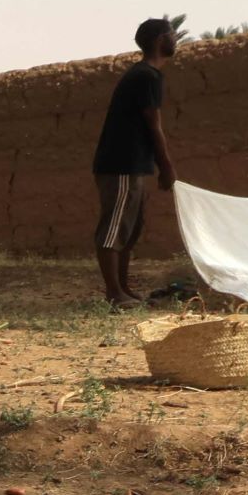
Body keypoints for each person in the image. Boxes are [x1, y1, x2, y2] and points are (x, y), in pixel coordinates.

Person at [91, 19, 179, 310]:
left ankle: (123, 287)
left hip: (133, 164)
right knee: (114, 227)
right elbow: (154, 125)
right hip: (121, 164)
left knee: (129, 229)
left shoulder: (147, 75)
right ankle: (113, 293)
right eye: (172, 34)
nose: (175, 39)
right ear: (160, 40)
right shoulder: (146, 76)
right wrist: (166, 166)